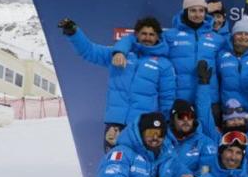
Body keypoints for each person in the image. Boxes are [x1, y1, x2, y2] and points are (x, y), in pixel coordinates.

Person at [58, 17, 176, 151]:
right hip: (115, 124)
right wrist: (74, 33)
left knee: (141, 166)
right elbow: (90, 52)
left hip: (143, 125)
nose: (147, 38)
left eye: (151, 34)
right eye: (144, 33)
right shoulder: (119, 54)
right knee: (114, 164)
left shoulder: (164, 65)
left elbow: (167, 98)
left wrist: (164, 124)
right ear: (136, 35)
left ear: (157, 37)